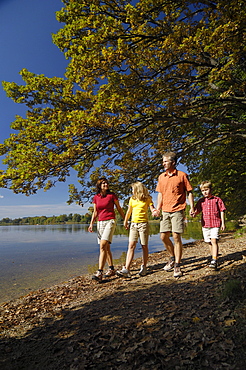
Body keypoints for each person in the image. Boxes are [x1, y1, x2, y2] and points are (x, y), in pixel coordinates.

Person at [155, 151, 194, 277]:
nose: (163, 163)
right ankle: (172, 257)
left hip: (178, 209)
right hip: (165, 210)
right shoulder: (161, 177)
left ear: (173, 162)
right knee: (163, 237)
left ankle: (177, 265)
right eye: (163, 161)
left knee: (176, 237)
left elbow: (189, 192)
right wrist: (157, 208)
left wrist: (192, 207)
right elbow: (160, 194)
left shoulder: (182, 175)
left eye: (165, 161)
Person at [116, 182, 156, 278]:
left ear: (138, 189)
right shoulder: (132, 199)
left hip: (143, 225)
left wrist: (154, 211)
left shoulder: (147, 199)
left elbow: (152, 208)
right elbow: (129, 211)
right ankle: (127, 269)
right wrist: (125, 221)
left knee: (144, 246)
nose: (132, 191)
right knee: (131, 245)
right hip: (133, 224)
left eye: (133, 189)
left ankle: (144, 266)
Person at [88, 177, 125, 281]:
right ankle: (111, 269)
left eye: (107, 183)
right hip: (100, 223)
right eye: (103, 184)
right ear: (99, 186)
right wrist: (91, 224)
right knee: (106, 247)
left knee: (103, 245)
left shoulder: (112, 195)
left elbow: (119, 208)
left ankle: (99, 272)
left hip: (110, 221)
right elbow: (95, 212)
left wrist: (125, 220)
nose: (106, 185)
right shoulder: (96, 197)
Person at [193, 180, 226, 269]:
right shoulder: (201, 201)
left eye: (206, 190)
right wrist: (194, 213)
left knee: (214, 241)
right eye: (203, 191)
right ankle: (213, 257)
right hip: (205, 224)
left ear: (210, 189)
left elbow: (222, 210)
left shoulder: (217, 200)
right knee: (209, 242)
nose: (205, 192)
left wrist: (223, 223)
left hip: (215, 223)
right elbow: (197, 211)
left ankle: (214, 260)